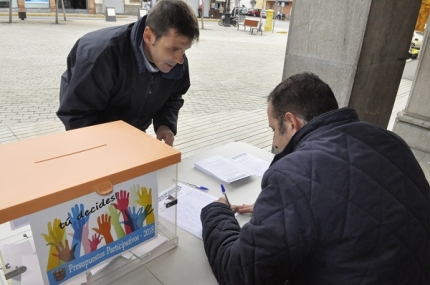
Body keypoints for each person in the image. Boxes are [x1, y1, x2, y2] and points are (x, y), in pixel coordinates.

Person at [200, 72, 430, 284]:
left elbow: (240, 273)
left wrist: (216, 213)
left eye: (273, 130)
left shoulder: (293, 175)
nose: (273, 144)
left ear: (291, 123)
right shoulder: (391, 141)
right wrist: (278, 212)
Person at [57, 0, 199, 146]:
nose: (180, 59)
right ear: (149, 36)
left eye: (184, 49)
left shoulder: (175, 61)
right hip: (95, 141)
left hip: (132, 136)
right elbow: (78, 115)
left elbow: (173, 95)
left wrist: (165, 123)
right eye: (173, 49)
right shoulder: (103, 55)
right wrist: (107, 148)